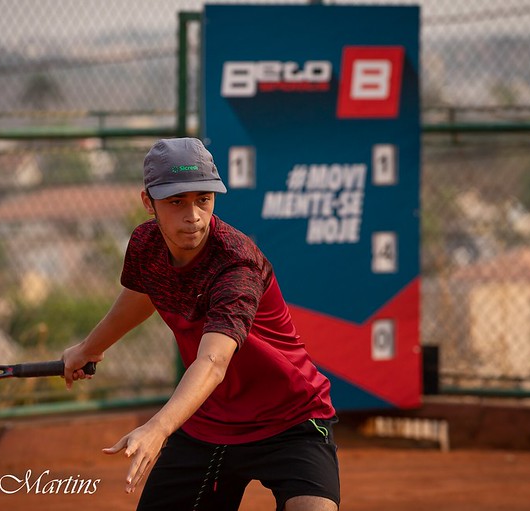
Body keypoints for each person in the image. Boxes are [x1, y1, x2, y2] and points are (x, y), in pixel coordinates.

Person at [62, 137, 340, 511]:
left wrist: (158, 427)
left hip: (289, 421)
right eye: (176, 202)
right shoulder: (145, 244)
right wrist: (89, 347)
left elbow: (213, 362)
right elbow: (143, 293)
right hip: (208, 420)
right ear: (149, 202)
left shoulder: (236, 265)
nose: (192, 216)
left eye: (202, 200)